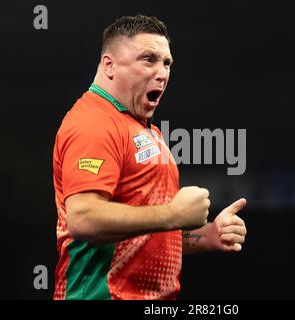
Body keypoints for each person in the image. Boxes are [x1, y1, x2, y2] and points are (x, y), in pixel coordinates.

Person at [52, 15, 247, 300]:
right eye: (148, 59)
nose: (162, 72)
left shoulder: (146, 129)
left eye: (167, 63)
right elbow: (82, 219)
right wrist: (172, 215)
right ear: (109, 65)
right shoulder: (93, 122)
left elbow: (146, 231)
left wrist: (207, 235)